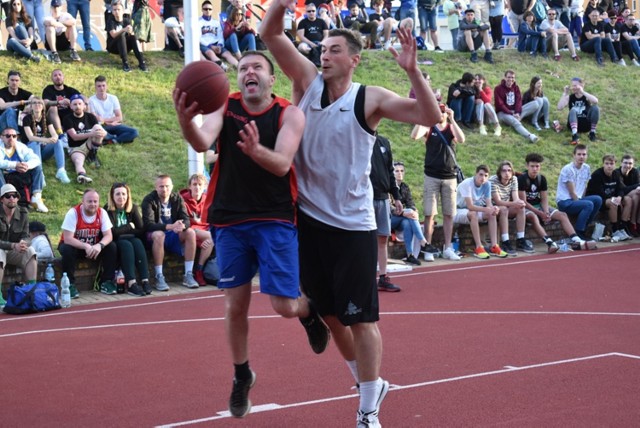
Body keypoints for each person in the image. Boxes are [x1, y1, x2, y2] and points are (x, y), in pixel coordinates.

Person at [261, 1, 442, 422]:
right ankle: (370, 385)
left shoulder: (369, 98)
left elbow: (428, 116)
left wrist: (413, 71)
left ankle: (366, 412)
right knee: (328, 314)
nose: (324, 54)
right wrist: (280, 5)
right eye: (322, 48)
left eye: (334, 49)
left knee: (361, 319)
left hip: (353, 224)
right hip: (307, 219)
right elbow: (271, 34)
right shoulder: (306, 83)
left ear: (354, 60)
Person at [174, 51, 329, 418]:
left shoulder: (289, 113)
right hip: (229, 218)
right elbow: (201, 142)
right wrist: (185, 119)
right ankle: (242, 374)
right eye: (243, 68)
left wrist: (257, 150)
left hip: (274, 217)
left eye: (257, 67)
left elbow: (281, 164)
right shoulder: (223, 106)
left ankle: (307, 311)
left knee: (282, 306)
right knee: (235, 305)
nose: (249, 72)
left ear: (271, 79)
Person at [411, 102, 465, 262]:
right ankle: (428, 247)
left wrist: (453, 119)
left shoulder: (450, 128)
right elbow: (414, 136)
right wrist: (425, 117)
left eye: (443, 111)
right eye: (438, 111)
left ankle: (448, 247)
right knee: (430, 214)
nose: (441, 114)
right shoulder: (429, 127)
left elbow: (461, 139)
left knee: (449, 214)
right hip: (432, 176)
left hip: (450, 177)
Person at [518, 153, 597, 253]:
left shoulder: (541, 179)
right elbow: (524, 201)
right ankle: (550, 243)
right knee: (533, 217)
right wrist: (540, 213)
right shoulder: (521, 179)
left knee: (562, 215)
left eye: (537, 166)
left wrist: (546, 212)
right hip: (526, 207)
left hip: (539, 206)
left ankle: (576, 240)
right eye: (532, 166)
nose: (535, 169)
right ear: (527, 166)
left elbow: (544, 198)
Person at [142, 174, 199, 291]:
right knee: (159, 234)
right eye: (161, 186)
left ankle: (188, 274)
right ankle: (159, 276)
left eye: (167, 186)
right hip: (153, 236)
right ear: (156, 187)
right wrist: (170, 226)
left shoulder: (177, 198)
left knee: (190, 233)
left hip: (173, 234)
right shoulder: (149, 200)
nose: (164, 189)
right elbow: (149, 225)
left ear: (172, 187)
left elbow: (186, 219)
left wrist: (182, 226)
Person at [59, 188, 118, 298]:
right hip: (75, 246)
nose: (93, 204)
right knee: (67, 249)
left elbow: (109, 235)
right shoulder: (73, 213)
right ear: (83, 201)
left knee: (111, 246)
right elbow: (68, 238)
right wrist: (85, 245)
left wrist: (99, 245)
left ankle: (106, 282)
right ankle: (69, 285)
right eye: (89, 201)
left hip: (94, 247)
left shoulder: (102, 213)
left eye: (95, 201)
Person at [370, 135, 404, 291]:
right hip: (364, 198)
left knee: (383, 238)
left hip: (383, 198)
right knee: (364, 240)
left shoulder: (384, 142)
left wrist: (396, 197)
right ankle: (365, 278)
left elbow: (390, 172)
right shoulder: (358, 137)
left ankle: (382, 277)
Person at [105, 182, 152, 297]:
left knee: (138, 242)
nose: (121, 197)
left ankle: (145, 280)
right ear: (112, 196)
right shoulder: (107, 210)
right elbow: (113, 233)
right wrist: (130, 226)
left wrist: (123, 231)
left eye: (123, 194)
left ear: (128, 195)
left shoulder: (133, 208)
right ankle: (131, 283)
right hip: (115, 242)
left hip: (130, 238)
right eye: (118, 194)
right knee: (127, 245)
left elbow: (141, 229)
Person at [454, 165, 508, 259]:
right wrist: (486, 209)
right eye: (481, 175)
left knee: (491, 213)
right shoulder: (467, 184)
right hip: (457, 211)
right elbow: (470, 206)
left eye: (486, 176)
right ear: (476, 174)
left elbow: (488, 204)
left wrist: (494, 208)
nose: (483, 178)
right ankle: (479, 247)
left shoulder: (487, 184)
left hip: (472, 210)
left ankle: (494, 246)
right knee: (473, 214)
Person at [0, 183, 38, 306]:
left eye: (14, 195)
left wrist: (23, 243)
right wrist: (13, 246)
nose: (12, 198)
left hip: (13, 250)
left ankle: (32, 290)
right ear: (2, 199)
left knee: (30, 251)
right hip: (2, 250)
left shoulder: (23, 213)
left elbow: (26, 235)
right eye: (8, 196)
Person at [19, 96, 70, 185]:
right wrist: (46, 140)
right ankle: (40, 173)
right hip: (30, 150)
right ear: (31, 106)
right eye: (34, 103)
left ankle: (61, 171)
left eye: (39, 103)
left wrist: (54, 138)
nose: (37, 105)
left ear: (43, 106)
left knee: (58, 141)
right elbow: (30, 137)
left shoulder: (46, 118)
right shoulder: (27, 118)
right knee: (35, 143)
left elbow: (54, 134)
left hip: (42, 150)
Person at [556, 144, 603, 240]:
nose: (581, 157)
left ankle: (584, 226)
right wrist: (582, 204)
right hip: (565, 201)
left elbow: (584, 186)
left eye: (584, 154)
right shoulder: (568, 169)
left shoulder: (586, 168)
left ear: (587, 156)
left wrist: (582, 201)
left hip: (577, 199)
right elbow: (572, 192)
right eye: (579, 154)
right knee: (588, 204)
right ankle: (579, 232)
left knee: (598, 199)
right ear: (574, 155)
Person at [391, 161, 432, 265]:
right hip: (388, 219)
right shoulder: (388, 186)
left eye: (401, 171)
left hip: (402, 219)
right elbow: (389, 207)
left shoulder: (405, 187)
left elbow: (411, 203)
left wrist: (415, 211)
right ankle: (423, 242)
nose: (400, 173)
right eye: (396, 171)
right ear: (392, 173)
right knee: (409, 214)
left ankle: (410, 254)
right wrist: (404, 213)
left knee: (408, 222)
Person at [489, 160, 533, 255]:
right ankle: (505, 241)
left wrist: (520, 203)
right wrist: (514, 203)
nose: (507, 173)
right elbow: (497, 201)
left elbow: (516, 198)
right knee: (504, 209)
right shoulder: (493, 180)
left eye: (509, 170)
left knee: (521, 208)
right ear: (499, 172)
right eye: (504, 171)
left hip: (507, 205)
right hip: (493, 208)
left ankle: (520, 239)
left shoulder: (514, 179)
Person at [0, 126, 48, 213]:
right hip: (5, 173)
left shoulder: (21, 146)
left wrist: (26, 165)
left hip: (20, 173)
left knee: (37, 167)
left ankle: (36, 197)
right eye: (8, 136)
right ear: (2, 137)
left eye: (14, 136)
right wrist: (15, 165)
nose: (11, 138)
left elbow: (35, 159)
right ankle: (3, 196)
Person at [178, 173, 214, 287]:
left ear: (204, 187)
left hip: (205, 232)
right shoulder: (182, 200)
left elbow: (213, 220)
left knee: (211, 239)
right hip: (190, 230)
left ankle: (199, 271)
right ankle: (194, 273)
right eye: (194, 184)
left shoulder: (208, 200)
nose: (197, 187)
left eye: (200, 184)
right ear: (189, 186)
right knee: (211, 237)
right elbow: (183, 221)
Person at [586, 154, 633, 240]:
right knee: (613, 203)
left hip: (612, 198)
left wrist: (619, 197)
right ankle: (615, 230)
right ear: (603, 164)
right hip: (599, 200)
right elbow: (598, 192)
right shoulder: (597, 175)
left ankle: (622, 227)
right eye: (607, 163)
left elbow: (621, 189)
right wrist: (613, 199)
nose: (609, 166)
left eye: (611, 164)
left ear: (615, 164)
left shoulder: (616, 174)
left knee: (628, 200)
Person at [62, 93, 107, 184]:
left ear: (84, 106)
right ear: (71, 106)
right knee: (78, 161)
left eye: (79, 104)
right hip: (76, 147)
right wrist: (92, 133)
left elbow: (102, 131)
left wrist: (102, 133)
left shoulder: (90, 116)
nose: (77, 106)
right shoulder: (67, 119)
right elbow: (74, 137)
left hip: (89, 143)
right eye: (74, 104)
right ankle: (81, 175)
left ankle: (93, 155)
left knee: (98, 129)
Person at [88, 75, 139, 144]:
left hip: (114, 124)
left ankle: (111, 140)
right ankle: (120, 138)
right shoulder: (91, 100)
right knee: (97, 132)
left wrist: (108, 122)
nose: (102, 88)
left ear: (107, 86)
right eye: (99, 86)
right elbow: (95, 119)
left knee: (134, 132)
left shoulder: (113, 98)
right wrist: (108, 122)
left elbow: (119, 117)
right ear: (95, 87)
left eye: (103, 85)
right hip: (101, 127)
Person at [494, 70, 539, 143]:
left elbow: (519, 101)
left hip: (514, 112)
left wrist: (517, 112)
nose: (511, 79)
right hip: (502, 113)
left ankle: (518, 118)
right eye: (509, 77)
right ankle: (530, 136)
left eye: (512, 77)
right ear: (505, 78)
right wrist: (511, 113)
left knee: (535, 104)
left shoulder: (516, 87)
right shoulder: (498, 89)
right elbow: (500, 104)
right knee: (514, 121)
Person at [106, 0, 148, 72]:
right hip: (113, 47)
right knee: (121, 35)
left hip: (125, 47)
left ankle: (142, 62)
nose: (117, 12)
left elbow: (131, 34)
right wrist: (124, 30)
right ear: (112, 12)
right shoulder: (111, 21)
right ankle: (125, 63)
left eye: (118, 10)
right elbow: (113, 35)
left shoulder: (127, 20)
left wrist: (130, 31)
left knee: (134, 37)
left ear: (123, 11)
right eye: (115, 10)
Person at [557, 77, 600, 145]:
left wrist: (582, 92)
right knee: (573, 110)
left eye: (575, 85)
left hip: (586, 125)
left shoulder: (586, 96)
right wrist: (565, 93)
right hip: (573, 124)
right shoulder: (570, 97)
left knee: (595, 108)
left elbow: (595, 101)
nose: (573, 87)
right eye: (572, 85)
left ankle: (592, 133)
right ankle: (575, 135)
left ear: (581, 86)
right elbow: (559, 107)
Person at [41, 68, 80, 142]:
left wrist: (72, 102)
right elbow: (45, 102)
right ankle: (61, 135)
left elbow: (83, 99)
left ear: (63, 77)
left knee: (80, 105)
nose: (58, 77)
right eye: (55, 75)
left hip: (69, 118)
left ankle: (84, 128)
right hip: (52, 118)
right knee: (53, 107)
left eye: (60, 75)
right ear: (52, 79)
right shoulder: (48, 89)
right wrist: (59, 102)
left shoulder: (69, 90)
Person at [199, 0, 238, 71]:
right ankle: (223, 66)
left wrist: (219, 45)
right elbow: (199, 38)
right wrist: (211, 46)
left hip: (217, 44)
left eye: (209, 9)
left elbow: (220, 36)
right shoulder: (198, 22)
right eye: (205, 9)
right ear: (202, 10)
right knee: (210, 53)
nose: (207, 11)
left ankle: (239, 66)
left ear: (212, 10)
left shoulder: (216, 22)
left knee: (227, 53)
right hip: (205, 45)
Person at [296, 2, 328, 67]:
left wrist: (322, 43)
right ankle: (316, 54)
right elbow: (301, 36)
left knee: (328, 49)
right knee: (301, 47)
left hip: (320, 43)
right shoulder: (302, 22)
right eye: (309, 11)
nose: (311, 13)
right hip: (307, 44)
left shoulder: (321, 21)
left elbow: (326, 35)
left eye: (313, 11)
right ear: (306, 12)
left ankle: (314, 55)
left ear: (316, 11)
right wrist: (311, 44)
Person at [617, 155, 640, 236]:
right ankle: (634, 222)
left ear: (633, 165)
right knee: (637, 192)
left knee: (637, 195)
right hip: (620, 195)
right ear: (621, 163)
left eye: (630, 163)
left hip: (633, 195)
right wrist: (635, 187)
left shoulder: (635, 172)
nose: (627, 165)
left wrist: (636, 187)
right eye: (625, 163)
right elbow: (622, 189)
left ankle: (635, 222)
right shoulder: (617, 173)